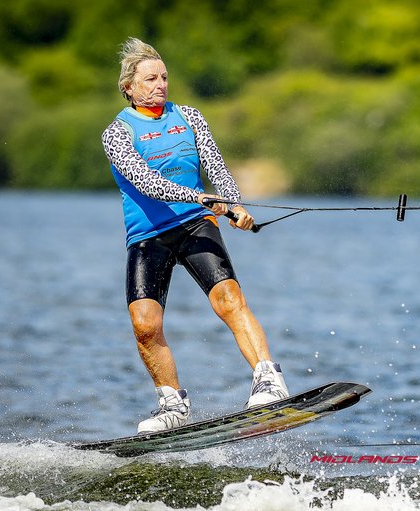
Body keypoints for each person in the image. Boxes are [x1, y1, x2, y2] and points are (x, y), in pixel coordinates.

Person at [101, 37, 289, 434]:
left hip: (195, 224)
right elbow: (145, 181)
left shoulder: (189, 116)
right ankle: (172, 404)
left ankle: (268, 379)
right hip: (147, 236)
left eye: (165, 77)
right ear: (129, 87)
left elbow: (217, 167)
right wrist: (200, 195)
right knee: (145, 325)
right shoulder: (116, 133)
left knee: (228, 299)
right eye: (150, 79)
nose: (160, 85)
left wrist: (232, 203)